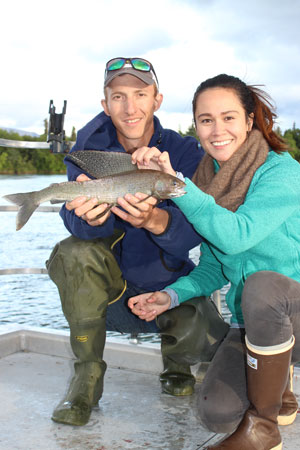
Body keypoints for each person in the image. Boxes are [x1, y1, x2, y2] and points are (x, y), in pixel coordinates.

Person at [46, 58, 229, 426]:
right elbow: (72, 214)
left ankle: (177, 367)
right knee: (73, 251)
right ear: (105, 103)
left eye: (140, 95)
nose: (130, 108)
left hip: (167, 290)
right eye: (118, 96)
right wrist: (89, 221)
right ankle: (85, 381)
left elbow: (194, 235)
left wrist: (156, 220)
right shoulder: (88, 148)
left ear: (157, 100)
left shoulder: (186, 153)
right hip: (111, 296)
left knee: (210, 337)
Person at [128, 73, 300, 450]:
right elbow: (214, 266)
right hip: (258, 323)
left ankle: (263, 430)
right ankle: (280, 389)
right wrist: (169, 296)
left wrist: (177, 185)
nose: (217, 129)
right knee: (217, 413)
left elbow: (235, 235)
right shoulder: (209, 182)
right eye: (206, 120)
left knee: (263, 285)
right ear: (196, 126)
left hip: (292, 309)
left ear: (250, 121)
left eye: (228, 117)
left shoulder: (282, 172)